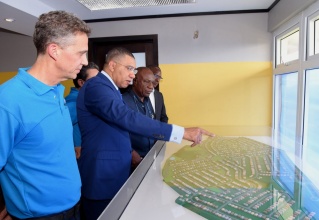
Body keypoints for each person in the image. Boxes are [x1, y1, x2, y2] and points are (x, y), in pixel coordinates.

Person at [77, 47, 214, 220]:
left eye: (134, 70)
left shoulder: (110, 89)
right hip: (101, 177)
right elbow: (127, 117)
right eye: (129, 68)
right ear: (112, 65)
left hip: (114, 174)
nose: (133, 75)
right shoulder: (96, 86)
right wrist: (181, 132)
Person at [0, 10, 91, 219]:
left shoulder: (57, 91)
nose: (85, 61)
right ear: (54, 50)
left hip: (74, 207)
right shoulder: (8, 101)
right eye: (80, 53)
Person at [122, 67, 157, 169]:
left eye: (152, 82)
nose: (151, 86)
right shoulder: (123, 101)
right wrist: (131, 152)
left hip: (149, 156)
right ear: (135, 81)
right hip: (131, 160)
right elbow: (117, 133)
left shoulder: (147, 101)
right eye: (146, 82)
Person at [66, 62, 99, 159]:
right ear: (81, 82)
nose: (100, 84)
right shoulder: (73, 105)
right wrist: (74, 145)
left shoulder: (88, 101)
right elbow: (56, 132)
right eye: (95, 81)